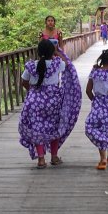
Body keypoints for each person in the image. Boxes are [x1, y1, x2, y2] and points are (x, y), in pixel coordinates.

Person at [18, 40, 81, 168]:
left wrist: (32, 92)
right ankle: (54, 157)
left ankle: (41, 159)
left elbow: (24, 82)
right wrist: (58, 52)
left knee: (37, 129)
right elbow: (68, 65)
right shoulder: (57, 64)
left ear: (38, 52)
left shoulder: (31, 66)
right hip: (53, 101)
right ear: (52, 52)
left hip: (35, 101)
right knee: (55, 128)